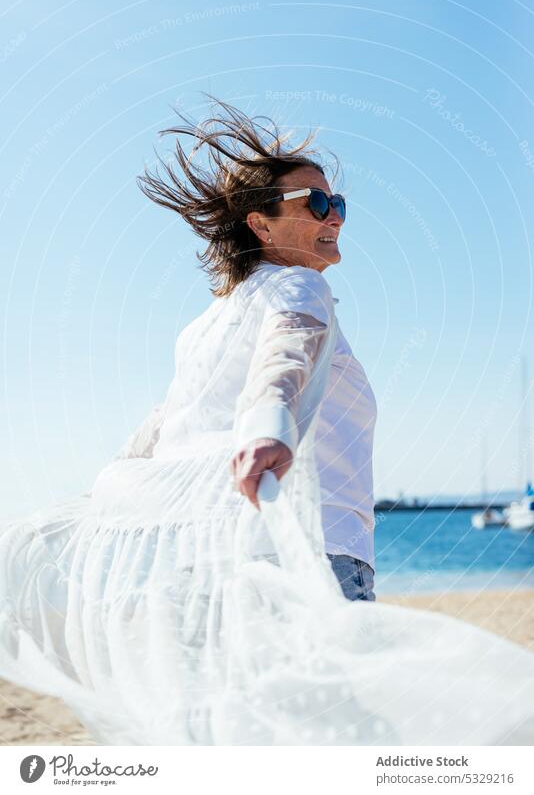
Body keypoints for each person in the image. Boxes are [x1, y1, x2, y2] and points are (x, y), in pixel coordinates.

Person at [1, 95, 533, 746]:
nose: (334, 217)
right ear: (260, 224)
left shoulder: (205, 326)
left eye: (339, 204)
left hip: (206, 574)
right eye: (315, 204)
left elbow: (158, 432)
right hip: (308, 555)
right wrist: (269, 429)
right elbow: (286, 355)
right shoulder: (300, 290)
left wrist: (99, 501)